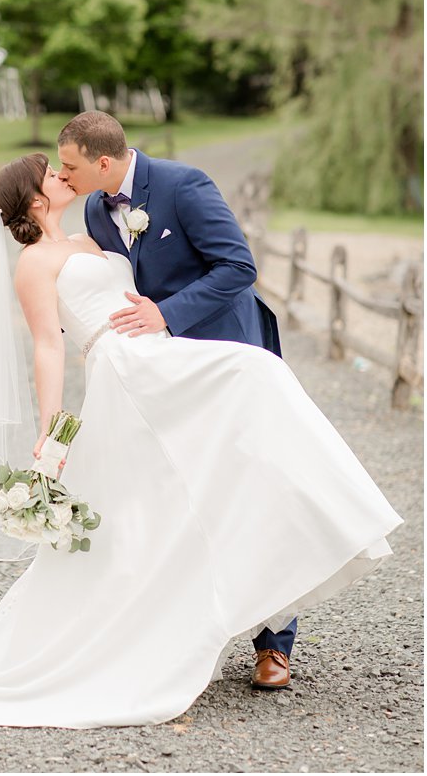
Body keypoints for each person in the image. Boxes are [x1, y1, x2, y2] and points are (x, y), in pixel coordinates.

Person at [0, 153, 399, 728]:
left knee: (229, 439)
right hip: (126, 370)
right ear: (33, 198)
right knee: (254, 377)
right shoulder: (35, 263)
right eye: (51, 172)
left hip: (160, 352)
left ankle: (274, 584)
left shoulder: (93, 229)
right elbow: (48, 343)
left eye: (66, 167)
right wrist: (52, 426)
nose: (63, 177)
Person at [56, 110, 296, 686]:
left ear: (103, 162)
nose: (64, 176)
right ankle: (185, 630)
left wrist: (167, 313)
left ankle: (274, 643)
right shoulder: (95, 207)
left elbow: (238, 267)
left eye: (70, 166)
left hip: (226, 357)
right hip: (159, 376)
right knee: (180, 492)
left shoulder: (183, 185)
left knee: (250, 485)